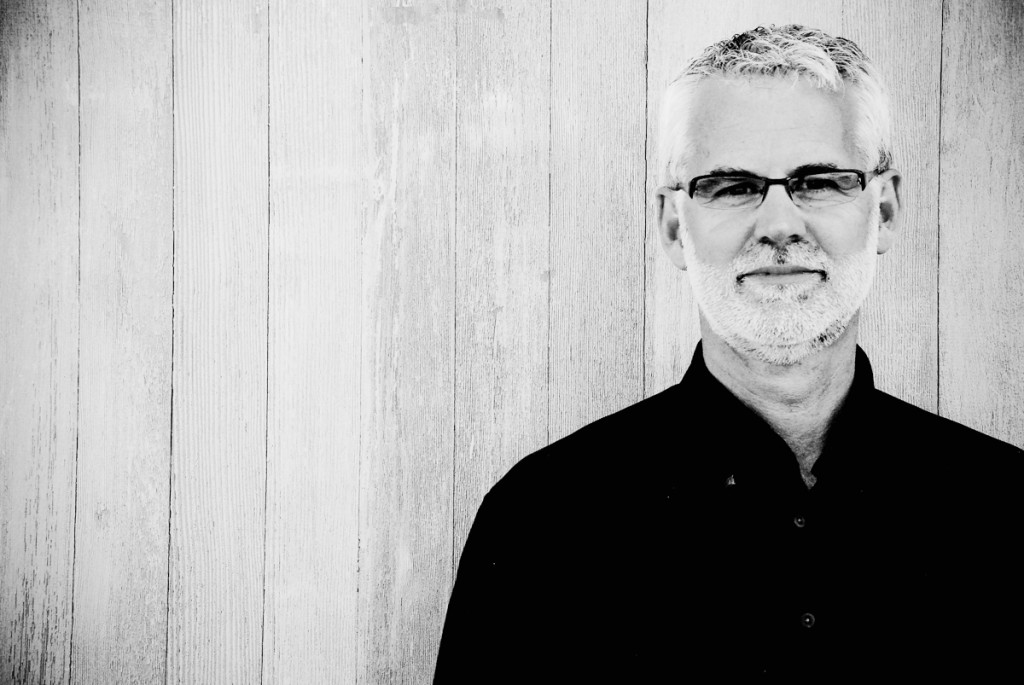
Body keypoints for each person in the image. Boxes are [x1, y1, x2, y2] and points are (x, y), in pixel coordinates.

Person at [433, 25, 1022, 681]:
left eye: (819, 181)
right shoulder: (542, 525)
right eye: (732, 185)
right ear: (673, 225)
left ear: (883, 211)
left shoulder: (1010, 516)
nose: (779, 224)